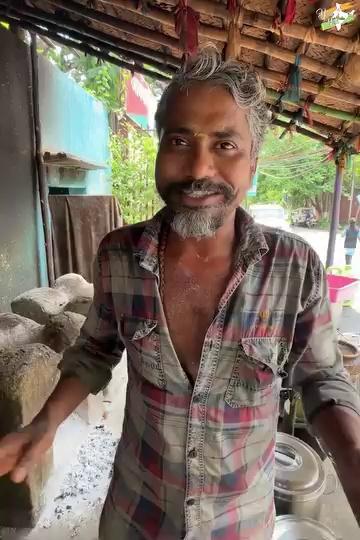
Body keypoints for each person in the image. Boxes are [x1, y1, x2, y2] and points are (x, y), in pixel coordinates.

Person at [1, 48, 360, 540]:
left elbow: (322, 380)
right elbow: (95, 350)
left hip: (239, 524)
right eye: (180, 140)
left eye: (225, 145)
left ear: (252, 164)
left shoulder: (294, 269)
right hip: (136, 514)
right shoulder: (118, 256)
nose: (199, 169)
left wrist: (354, 464)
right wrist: (45, 424)